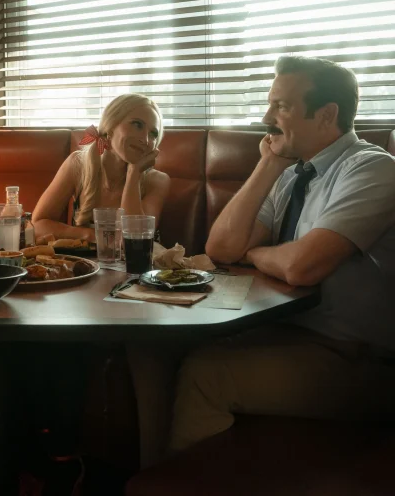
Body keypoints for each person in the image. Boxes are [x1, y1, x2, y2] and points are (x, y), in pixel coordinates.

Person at [169, 56, 395, 453]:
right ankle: (144, 474)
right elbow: (221, 249)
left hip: (356, 357)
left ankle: (189, 480)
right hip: (288, 333)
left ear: (326, 115)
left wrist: (255, 253)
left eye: (282, 106)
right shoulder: (290, 174)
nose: (265, 118)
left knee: (206, 375)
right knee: (160, 352)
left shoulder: (372, 169)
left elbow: (302, 267)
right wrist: (268, 164)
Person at [32, 93, 171, 242]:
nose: (146, 139)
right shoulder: (78, 164)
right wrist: (91, 235)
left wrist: (134, 174)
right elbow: (38, 225)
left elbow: (135, 241)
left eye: (153, 134)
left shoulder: (157, 181)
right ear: (110, 127)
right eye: (137, 125)